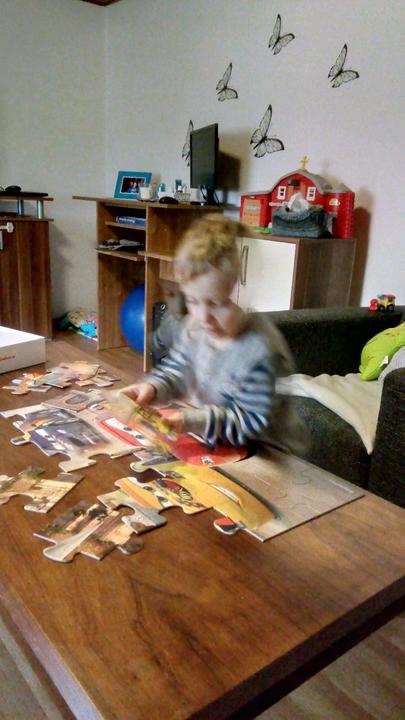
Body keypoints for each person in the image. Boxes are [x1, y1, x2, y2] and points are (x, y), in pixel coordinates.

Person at [119, 214, 307, 454]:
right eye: (193, 300)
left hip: (268, 452)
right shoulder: (195, 327)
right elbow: (178, 371)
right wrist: (152, 388)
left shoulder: (259, 350)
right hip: (219, 440)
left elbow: (251, 424)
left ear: (242, 295)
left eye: (216, 303)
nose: (202, 316)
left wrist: (193, 421)